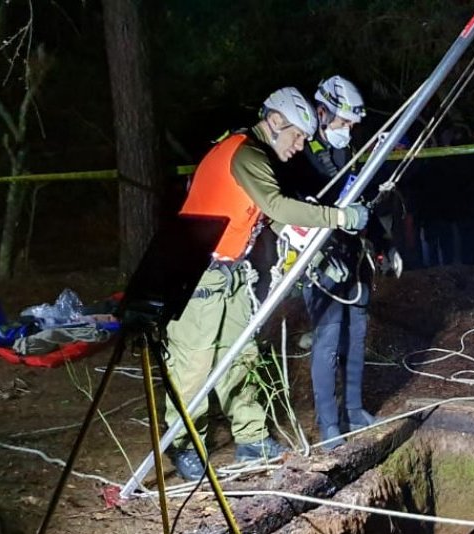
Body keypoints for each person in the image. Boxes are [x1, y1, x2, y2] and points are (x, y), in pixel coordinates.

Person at [166, 86, 371, 480]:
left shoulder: (258, 158)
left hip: (230, 272)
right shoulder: (244, 152)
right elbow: (277, 205)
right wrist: (340, 217)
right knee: (194, 362)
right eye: (296, 135)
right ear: (275, 121)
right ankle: (184, 444)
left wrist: (315, 253)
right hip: (197, 270)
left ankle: (251, 437)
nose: (300, 145)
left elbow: (272, 217)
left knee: (240, 355)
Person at [274, 75, 400, 450]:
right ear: (322, 112)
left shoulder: (347, 151)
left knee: (356, 334)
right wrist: (321, 253)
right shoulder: (300, 157)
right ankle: (330, 424)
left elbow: (361, 203)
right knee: (328, 340)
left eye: (351, 124)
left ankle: (354, 409)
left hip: (353, 258)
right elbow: (296, 213)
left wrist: (384, 244)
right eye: (343, 121)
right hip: (321, 261)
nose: (347, 129)